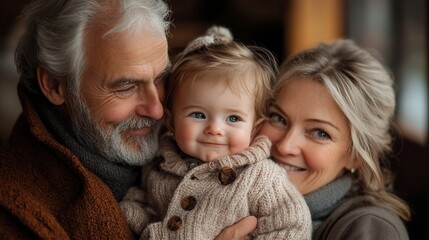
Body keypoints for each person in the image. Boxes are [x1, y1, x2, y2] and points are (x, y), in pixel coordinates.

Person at [0, 0, 277, 239]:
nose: (157, 110)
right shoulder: (18, 212)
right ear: (55, 86)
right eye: (125, 87)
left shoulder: (191, 144)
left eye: (159, 78)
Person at [119, 26, 312, 239]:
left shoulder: (260, 176)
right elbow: (138, 202)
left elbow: (293, 225)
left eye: (233, 118)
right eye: (198, 115)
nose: (215, 129)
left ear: (254, 128)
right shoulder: (158, 164)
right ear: (171, 122)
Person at [257, 39, 411, 239]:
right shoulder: (234, 198)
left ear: (357, 156)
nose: (285, 146)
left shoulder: (369, 228)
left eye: (320, 133)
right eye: (278, 118)